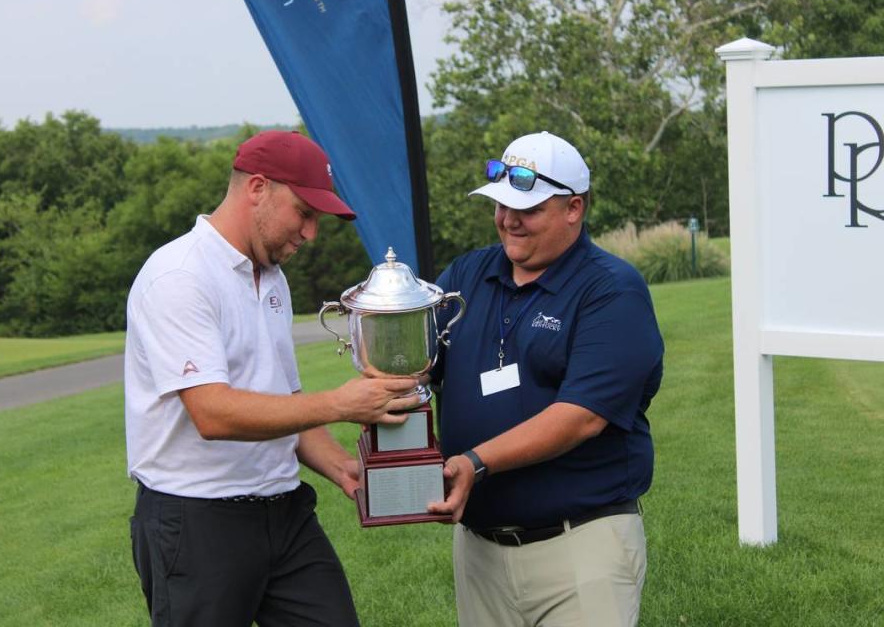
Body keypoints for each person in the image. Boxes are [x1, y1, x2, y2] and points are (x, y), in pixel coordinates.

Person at [124, 130, 419, 627]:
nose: (311, 233)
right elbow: (213, 412)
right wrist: (342, 404)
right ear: (257, 188)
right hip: (196, 521)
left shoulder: (273, 278)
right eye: (304, 213)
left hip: (285, 514)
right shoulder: (179, 276)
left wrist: (342, 467)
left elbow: (286, 401)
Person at [427, 131, 664, 627]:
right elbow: (414, 370)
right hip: (480, 549)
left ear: (573, 208)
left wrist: (476, 462)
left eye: (527, 209)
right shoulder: (466, 274)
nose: (508, 219)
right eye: (500, 205)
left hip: (581, 547)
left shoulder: (612, 289)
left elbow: (580, 418)